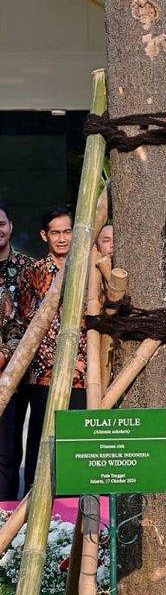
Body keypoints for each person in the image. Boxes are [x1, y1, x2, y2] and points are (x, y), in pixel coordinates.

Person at [17, 206, 87, 494]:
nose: (62, 238)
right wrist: (62, 361)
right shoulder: (32, 273)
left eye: (67, 231)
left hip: (85, 374)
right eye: (55, 232)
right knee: (42, 440)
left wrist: (82, 362)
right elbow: (29, 325)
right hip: (45, 374)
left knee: (79, 443)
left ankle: (77, 507)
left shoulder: (88, 270)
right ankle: (37, 500)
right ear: (44, 235)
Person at [0, 204, 33, 499]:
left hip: (14, 373)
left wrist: (7, 354)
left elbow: (32, 320)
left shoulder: (27, 269)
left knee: (8, 453)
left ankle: (5, 515)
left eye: (1, 223)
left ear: (10, 225)